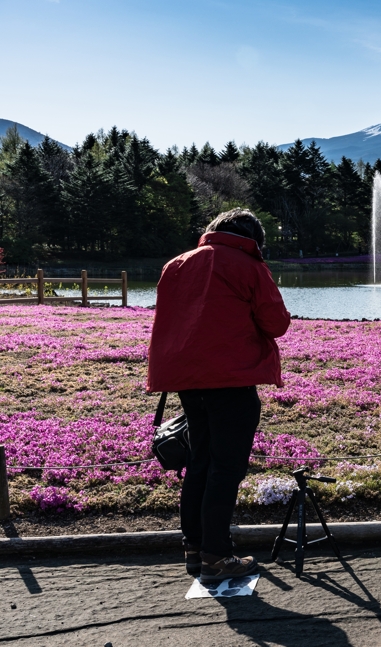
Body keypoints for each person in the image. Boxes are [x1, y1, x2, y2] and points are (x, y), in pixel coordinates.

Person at [148, 208, 291, 581]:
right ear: (253, 239)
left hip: (187, 380)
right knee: (226, 469)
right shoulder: (247, 265)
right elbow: (276, 324)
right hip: (231, 379)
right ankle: (217, 556)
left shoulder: (176, 264)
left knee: (199, 464)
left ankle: (194, 549)